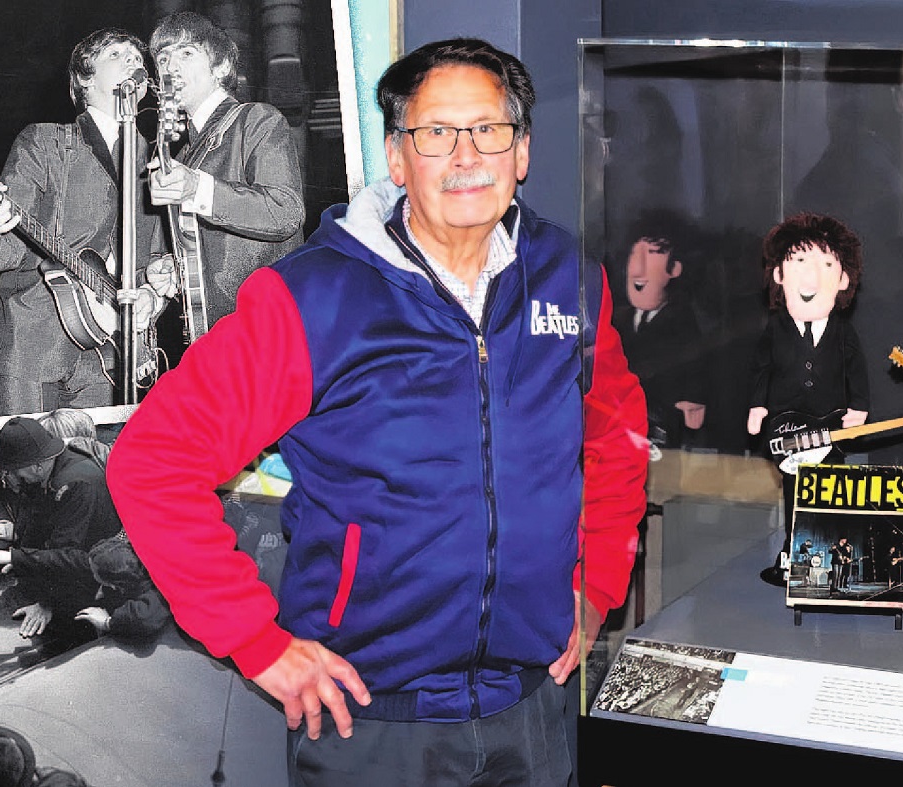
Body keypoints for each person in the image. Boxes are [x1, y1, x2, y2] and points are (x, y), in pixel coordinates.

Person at [107, 38, 645, 784]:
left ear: (521, 151)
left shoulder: (567, 279)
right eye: (436, 133)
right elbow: (153, 459)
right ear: (398, 157)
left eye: (489, 129)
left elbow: (615, 435)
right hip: (372, 723)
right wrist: (256, 642)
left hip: (534, 708)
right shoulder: (313, 298)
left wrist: (600, 584)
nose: (466, 155)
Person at [0, 28, 164, 416]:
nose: (134, 60)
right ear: (85, 79)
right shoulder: (44, 141)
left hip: (114, 352)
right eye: (117, 54)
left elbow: (154, 256)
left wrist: (152, 297)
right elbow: (6, 252)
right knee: (30, 474)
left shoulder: (156, 162)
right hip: (31, 341)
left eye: (138, 57)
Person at [146, 12, 303, 334]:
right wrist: (173, 267)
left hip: (268, 326)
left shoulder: (256, 119)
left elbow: (285, 212)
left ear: (220, 68)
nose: (170, 67)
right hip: (216, 334)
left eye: (186, 53)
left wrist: (196, 190)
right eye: (162, 58)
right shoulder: (186, 155)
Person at [745, 213, 867, 586]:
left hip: (831, 425)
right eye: (799, 262)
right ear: (780, 274)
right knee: (792, 489)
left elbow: (856, 370)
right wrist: (758, 405)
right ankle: (792, 549)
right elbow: (761, 369)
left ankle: (826, 553)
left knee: (827, 489)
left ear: (842, 279)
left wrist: (859, 407)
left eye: (826, 264)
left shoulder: (843, 332)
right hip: (786, 427)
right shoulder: (774, 329)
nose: (811, 274)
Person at [0, 417, 120, 650]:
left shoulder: (76, 486)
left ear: (37, 465)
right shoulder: (50, 474)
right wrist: (22, 554)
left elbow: (74, 558)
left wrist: (46, 601)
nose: (16, 478)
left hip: (97, 584)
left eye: (17, 471)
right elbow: (36, 522)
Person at [613, 211, 707, 450]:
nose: (637, 269)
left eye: (652, 253)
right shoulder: (615, 322)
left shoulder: (686, 327)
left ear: (675, 268)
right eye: (634, 254)